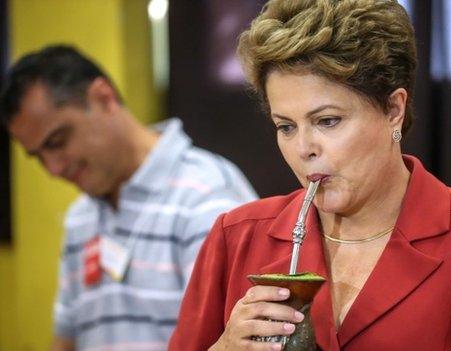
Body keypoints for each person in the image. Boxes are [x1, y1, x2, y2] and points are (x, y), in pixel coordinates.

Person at [169, 1, 451, 350]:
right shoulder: (236, 235)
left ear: (394, 109)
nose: (303, 148)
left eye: (328, 120)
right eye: (286, 126)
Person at [0, 45, 258, 351]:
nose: (53, 168)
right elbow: (65, 339)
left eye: (57, 141)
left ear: (103, 97)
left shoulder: (206, 197)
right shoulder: (79, 218)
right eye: (38, 156)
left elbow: (242, 341)